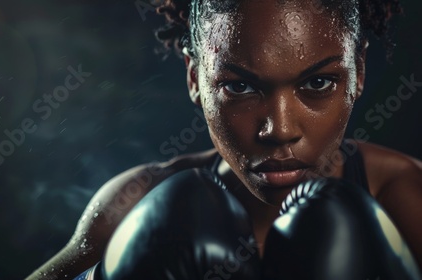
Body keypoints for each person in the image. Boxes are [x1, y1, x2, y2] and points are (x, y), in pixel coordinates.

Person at [26, 0, 422, 279]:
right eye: (240, 87)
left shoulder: (401, 194)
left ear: (360, 72)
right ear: (195, 78)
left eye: (318, 82)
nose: (280, 130)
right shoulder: (134, 201)